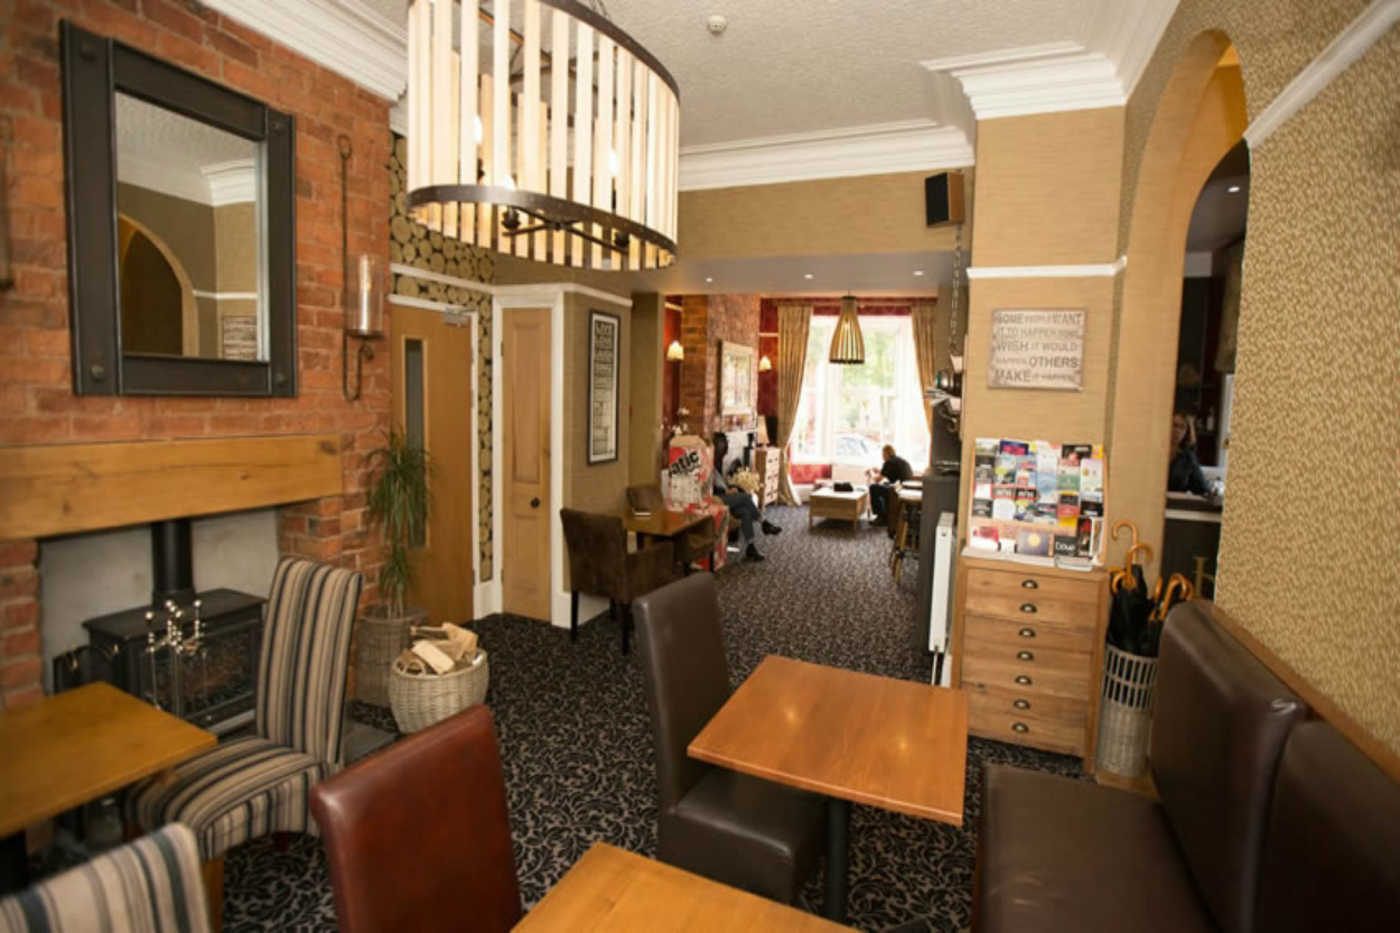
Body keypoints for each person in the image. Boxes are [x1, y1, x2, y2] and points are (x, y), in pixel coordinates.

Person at [712, 434, 780, 562]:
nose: (722, 452)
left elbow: (719, 483)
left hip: (724, 496)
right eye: (720, 448)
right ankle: (764, 522)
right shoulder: (706, 466)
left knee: (744, 512)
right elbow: (710, 489)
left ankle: (751, 547)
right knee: (746, 497)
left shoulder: (715, 464)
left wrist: (729, 488)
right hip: (716, 499)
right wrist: (726, 491)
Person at [868, 444, 913, 525]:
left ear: (886, 453)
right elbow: (888, 473)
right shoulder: (899, 460)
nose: (882, 456)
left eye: (882, 454)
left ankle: (881, 517)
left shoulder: (888, 462)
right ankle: (885, 515)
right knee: (884, 485)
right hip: (904, 489)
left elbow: (877, 480)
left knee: (873, 488)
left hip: (898, 492)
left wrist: (870, 472)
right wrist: (879, 471)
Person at [1167, 410, 1209, 495]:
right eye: (1174, 425)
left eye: (1182, 427)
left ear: (1186, 432)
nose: (1177, 430)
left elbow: (1203, 489)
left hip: (1174, 502)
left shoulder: (1188, 457)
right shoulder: (1152, 451)